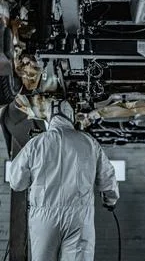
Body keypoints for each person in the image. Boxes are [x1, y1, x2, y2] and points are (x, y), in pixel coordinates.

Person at [9, 100, 119, 261]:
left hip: (44, 216)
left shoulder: (36, 144)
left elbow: (17, 183)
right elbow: (107, 176)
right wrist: (110, 200)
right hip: (79, 216)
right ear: (70, 116)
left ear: (49, 117)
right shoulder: (88, 142)